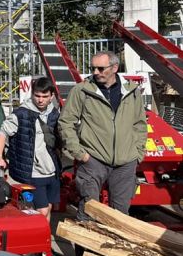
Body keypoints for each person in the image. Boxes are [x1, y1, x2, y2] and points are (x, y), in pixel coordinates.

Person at [58, 51, 146, 221]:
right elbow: (65, 122)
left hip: (125, 163)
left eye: (100, 68)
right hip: (93, 160)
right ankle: (85, 248)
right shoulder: (82, 91)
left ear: (114, 68)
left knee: (121, 215)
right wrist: (80, 154)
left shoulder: (132, 92)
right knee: (89, 209)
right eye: (93, 68)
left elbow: (140, 124)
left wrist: (137, 153)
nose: (95, 72)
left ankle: (117, 248)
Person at [0, 77, 61, 221]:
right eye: (37, 96)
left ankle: (44, 238)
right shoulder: (21, 114)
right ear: (32, 94)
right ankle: (41, 240)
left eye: (45, 96)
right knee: (42, 211)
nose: (40, 100)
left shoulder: (55, 113)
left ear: (52, 96)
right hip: (32, 171)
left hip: (51, 170)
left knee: (48, 208)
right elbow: (3, 132)